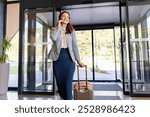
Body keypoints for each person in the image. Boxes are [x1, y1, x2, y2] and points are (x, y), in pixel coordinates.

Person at [48, 11, 85, 100]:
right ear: (60, 18)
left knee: (68, 83)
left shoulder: (71, 30)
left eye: (67, 17)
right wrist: (59, 27)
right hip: (58, 59)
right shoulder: (54, 29)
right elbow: (54, 38)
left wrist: (78, 60)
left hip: (69, 59)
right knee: (60, 83)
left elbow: (74, 45)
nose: (66, 18)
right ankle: (63, 99)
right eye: (64, 16)